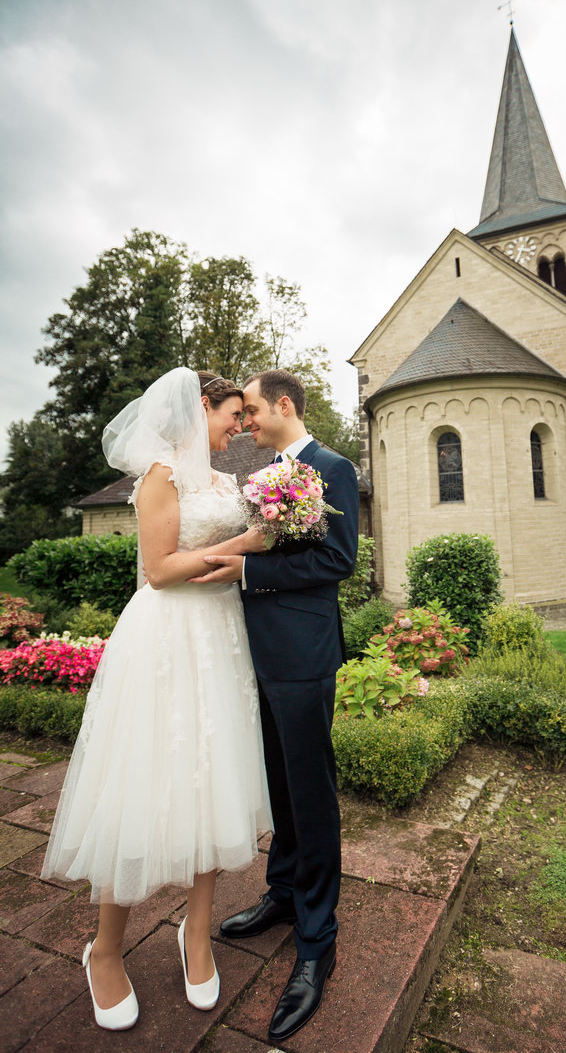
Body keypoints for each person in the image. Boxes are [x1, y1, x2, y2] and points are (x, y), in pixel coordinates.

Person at [41, 367, 272, 1031]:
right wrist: (244, 544)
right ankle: (105, 950)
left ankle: (195, 934)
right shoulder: (159, 476)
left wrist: (280, 526)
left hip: (222, 638)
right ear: (204, 406)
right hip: (168, 639)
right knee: (144, 783)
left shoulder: (227, 480)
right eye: (232, 415)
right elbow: (163, 570)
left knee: (213, 781)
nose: (240, 427)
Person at [193, 369, 359, 1045]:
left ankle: (318, 938)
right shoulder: (258, 467)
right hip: (250, 652)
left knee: (309, 789)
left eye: (255, 410)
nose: (247, 422)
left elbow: (337, 561)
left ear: (284, 405)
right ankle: (284, 892)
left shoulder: (331, 467)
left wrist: (246, 572)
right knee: (276, 780)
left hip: (303, 651)